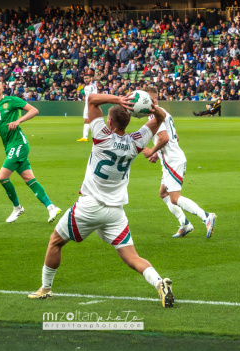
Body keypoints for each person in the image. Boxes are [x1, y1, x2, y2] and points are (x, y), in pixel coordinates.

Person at [28, 92, 175, 308]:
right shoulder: (137, 141)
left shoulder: (102, 135)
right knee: (132, 257)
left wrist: (118, 99)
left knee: (55, 242)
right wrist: (151, 107)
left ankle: (46, 289)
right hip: (116, 211)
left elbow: (91, 100)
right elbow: (160, 119)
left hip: (90, 206)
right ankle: (159, 283)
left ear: (109, 121)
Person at [0, 80, 61, 223]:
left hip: (19, 143)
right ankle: (51, 207)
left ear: (2, 88)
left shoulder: (12, 100)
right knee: (29, 179)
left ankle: (17, 207)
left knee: (2, 177)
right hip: (9, 146)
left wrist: (18, 121)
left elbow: (34, 110)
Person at [144, 87, 217, 238]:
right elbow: (175, 136)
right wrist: (158, 154)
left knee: (175, 198)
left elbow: (164, 139)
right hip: (169, 159)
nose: (152, 102)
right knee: (163, 193)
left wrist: (152, 151)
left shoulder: (154, 117)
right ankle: (184, 224)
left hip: (173, 161)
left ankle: (206, 217)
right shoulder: (163, 112)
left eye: (152, 100)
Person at [77, 74, 98, 142]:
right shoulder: (85, 87)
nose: (86, 80)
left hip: (91, 105)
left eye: (87, 78)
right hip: (87, 105)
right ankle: (85, 137)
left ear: (90, 79)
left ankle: (97, 136)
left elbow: (95, 96)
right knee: (86, 120)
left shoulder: (93, 86)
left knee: (93, 121)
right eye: (85, 78)